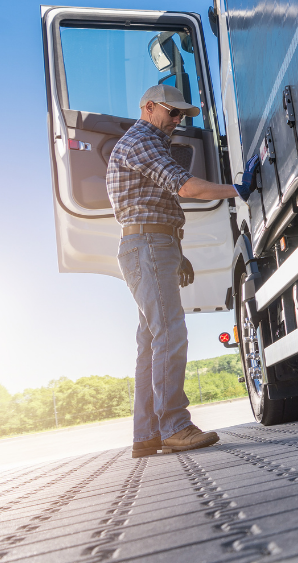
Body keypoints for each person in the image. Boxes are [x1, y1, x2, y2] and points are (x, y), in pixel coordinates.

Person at [106, 84, 258, 458]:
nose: (177, 121)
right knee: (169, 334)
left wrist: (177, 251)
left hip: (151, 245)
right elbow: (186, 187)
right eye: (172, 113)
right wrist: (238, 189)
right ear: (148, 107)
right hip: (148, 247)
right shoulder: (142, 140)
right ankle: (174, 425)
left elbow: (153, 203)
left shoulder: (148, 141)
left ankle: (147, 435)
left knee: (151, 342)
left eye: (181, 115)